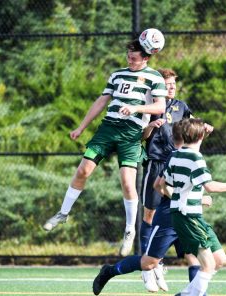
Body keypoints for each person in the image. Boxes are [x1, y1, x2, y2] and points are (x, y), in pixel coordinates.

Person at [42, 38, 166, 257]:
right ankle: (63, 213)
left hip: (131, 134)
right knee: (83, 171)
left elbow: (160, 106)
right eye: (128, 56)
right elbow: (101, 101)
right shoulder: (117, 74)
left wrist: (136, 108)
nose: (130, 60)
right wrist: (81, 127)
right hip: (107, 129)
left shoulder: (154, 77)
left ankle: (129, 230)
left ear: (146, 57)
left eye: (134, 58)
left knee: (128, 184)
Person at [92, 120, 226, 296]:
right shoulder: (178, 156)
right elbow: (159, 186)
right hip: (169, 217)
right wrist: (186, 198)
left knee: (203, 259)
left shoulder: (190, 153)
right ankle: (110, 271)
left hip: (190, 217)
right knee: (150, 263)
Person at [159, 118, 226, 296]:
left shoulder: (176, 155)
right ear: (201, 135)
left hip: (188, 215)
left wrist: (181, 200)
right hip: (189, 217)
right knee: (208, 266)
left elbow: (163, 185)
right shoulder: (195, 158)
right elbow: (210, 186)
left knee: (220, 259)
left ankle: (186, 295)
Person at [140, 68, 213, 254]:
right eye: (167, 85)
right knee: (150, 212)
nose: (171, 87)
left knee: (181, 208)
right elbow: (141, 136)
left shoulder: (182, 106)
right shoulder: (151, 106)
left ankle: (187, 261)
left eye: (173, 84)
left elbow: (194, 125)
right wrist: (150, 126)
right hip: (156, 162)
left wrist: (204, 127)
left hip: (177, 163)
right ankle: (149, 260)